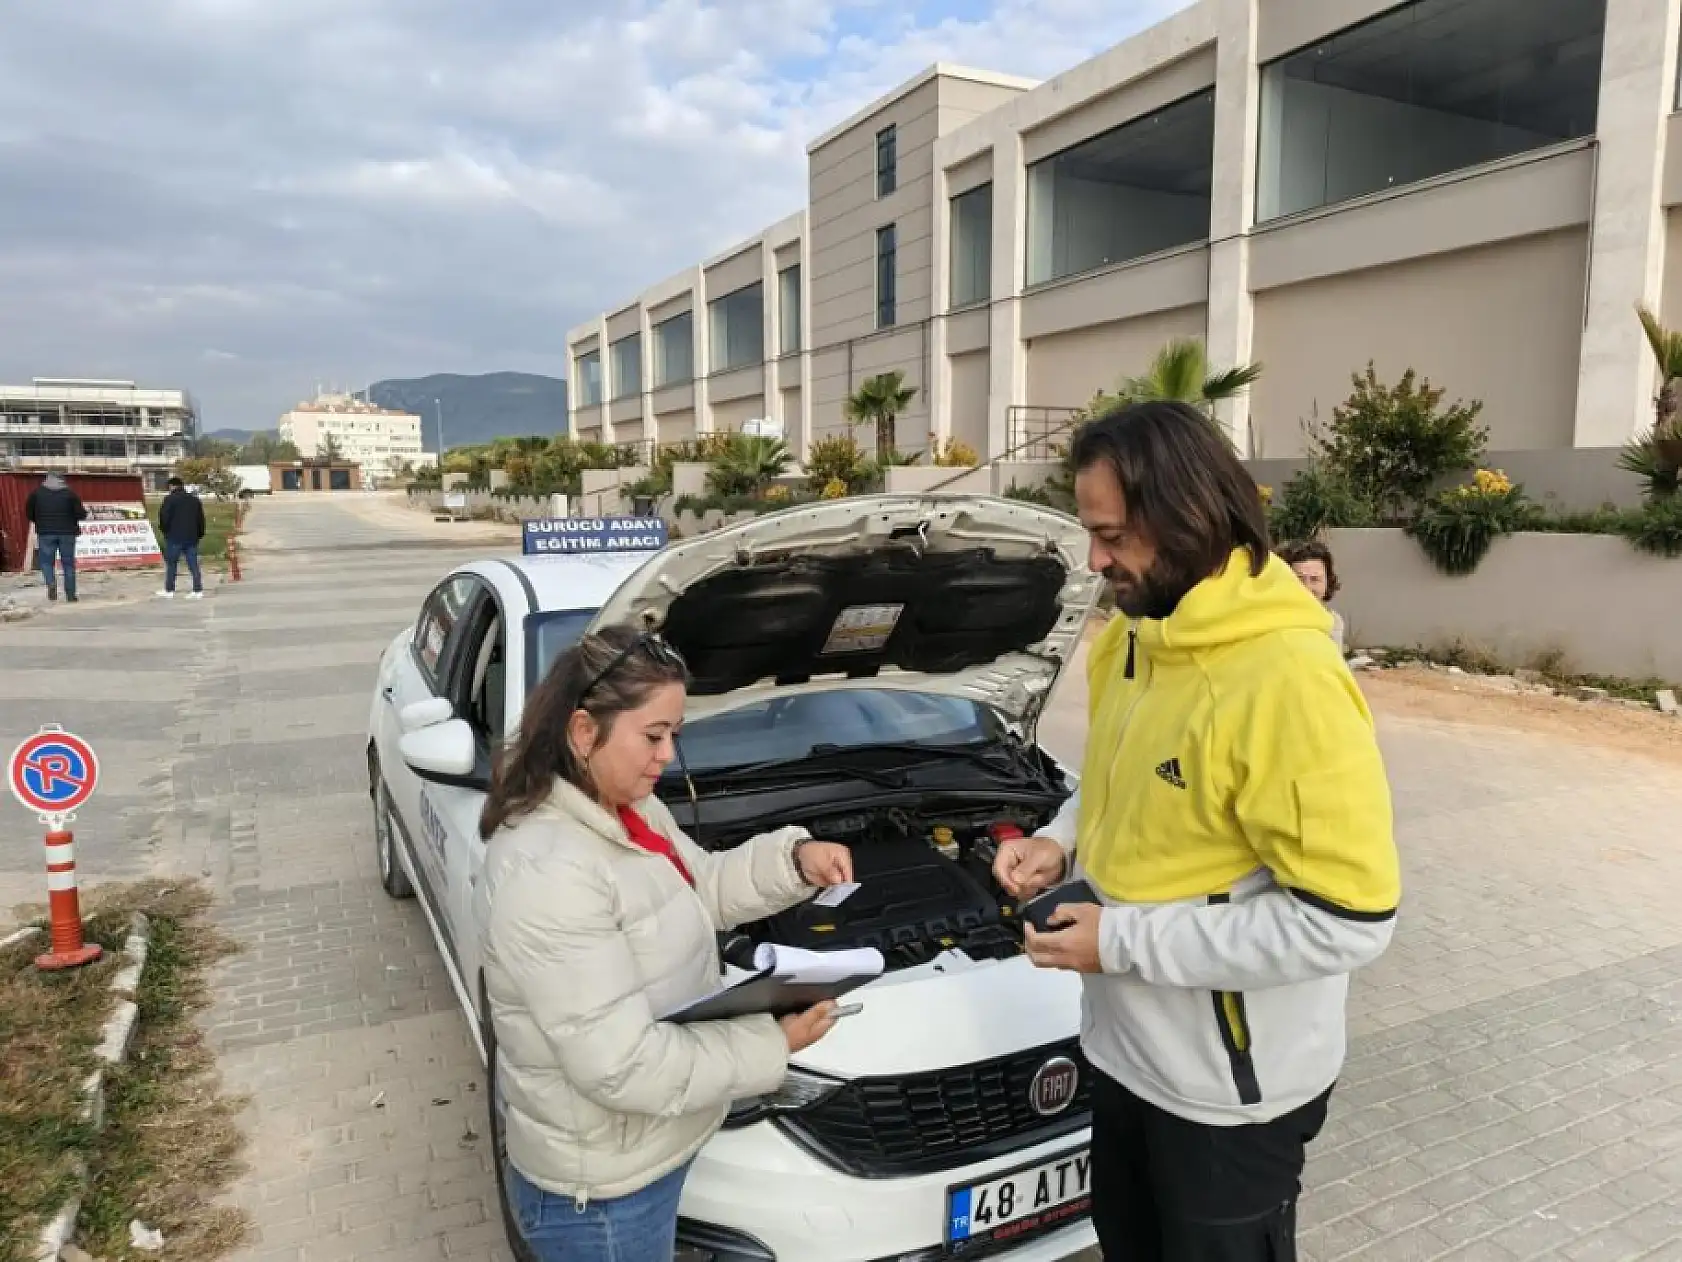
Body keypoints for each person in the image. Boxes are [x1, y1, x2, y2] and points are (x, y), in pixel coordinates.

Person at [992, 401, 1399, 1262]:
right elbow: (1121, 783)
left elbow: (1349, 919)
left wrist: (1123, 941)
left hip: (1227, 1100)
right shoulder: (1132, 638)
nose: (1094, 560)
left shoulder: (1286, 679)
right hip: (1124, 1056)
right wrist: (1062, 839)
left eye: (1111, 536)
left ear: (1185, 516)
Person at [476, 624, 854, 1262]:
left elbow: (698, 886)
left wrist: (795, 860)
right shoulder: (547, 870)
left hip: (643, 1155)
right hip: (601, 1201)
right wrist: (773, 1042)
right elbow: (622, 1066)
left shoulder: (625, 810)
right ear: (582, 731)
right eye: (653, 736)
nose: (667, 756)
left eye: (675, 735)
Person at [24, 472, 88, 603]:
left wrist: (39, 520)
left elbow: (29, 513)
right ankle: (71, 595)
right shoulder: (70, 494)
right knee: (68, 564)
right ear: (62, 480)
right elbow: (81, 514)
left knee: (46, 562)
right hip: (67, 533)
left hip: (45, 533)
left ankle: (51, 583)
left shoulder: (36, 494)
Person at [1278, 538, 1345, 655]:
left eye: (1315, 579)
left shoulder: (1334, 622)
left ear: (1328, 581)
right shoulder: (1271, 619)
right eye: (1299, 579)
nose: (1307, 588)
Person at [156, 477, 207, 600]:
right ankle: (197, 590)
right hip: (192, 537)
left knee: (172, 564)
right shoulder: (194, 500)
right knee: (193, 564)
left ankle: (169, 590)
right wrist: (199, 534)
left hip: (174, 537)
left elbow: (164, 517)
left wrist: (165, 531)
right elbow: (201, 519)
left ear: (172, 486)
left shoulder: (169, 499)